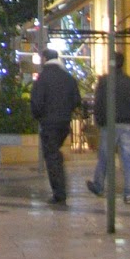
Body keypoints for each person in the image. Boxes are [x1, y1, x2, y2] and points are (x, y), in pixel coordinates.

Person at [30, 48, 82, 205]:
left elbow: (36, 103)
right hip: (64, 123)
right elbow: (77, 100)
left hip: (48, 123)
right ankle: (61, 188)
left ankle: (59, 192)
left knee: (51, 156)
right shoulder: (68, 78)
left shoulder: (42, 78)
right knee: (55, 153)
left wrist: (39, 117)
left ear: (45, 58)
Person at [86, 52, 130, 204]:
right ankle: (128, 192)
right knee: (127, 158)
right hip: (126, 124)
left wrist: (99, 121)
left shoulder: (104, 81)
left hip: (109, 124)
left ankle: (98, 185)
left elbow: (99, 103)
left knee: (104, 156)